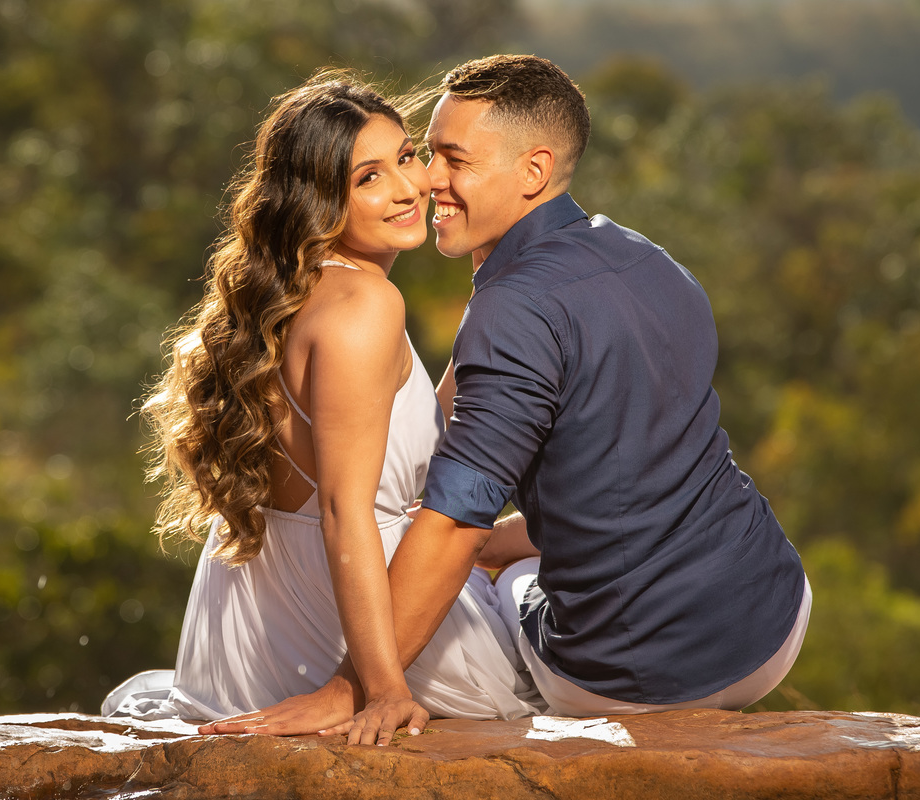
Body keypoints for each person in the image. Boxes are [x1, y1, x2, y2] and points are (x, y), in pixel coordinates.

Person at [205, 54, 810, 742]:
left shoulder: (511, 310)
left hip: (625, 677)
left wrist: (352, 689)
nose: (426, 179)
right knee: (513, 552)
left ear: (534, 171)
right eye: (425, 154)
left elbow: (457, 523)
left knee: (501, 579)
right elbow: (630, 487)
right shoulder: (650, 259)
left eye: (450, 159)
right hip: (774, 619)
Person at [102, 72, 543, 734]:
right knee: (547, 584)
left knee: (512, 551)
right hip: (342, 626)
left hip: (254, 623)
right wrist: (382, 688)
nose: (407, 187)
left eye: (405, 156)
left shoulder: (297, 295)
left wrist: (494, 316)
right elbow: (344, 511)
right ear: (318, 202)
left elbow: (391, 433)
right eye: (368, 178)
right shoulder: (366, 306)